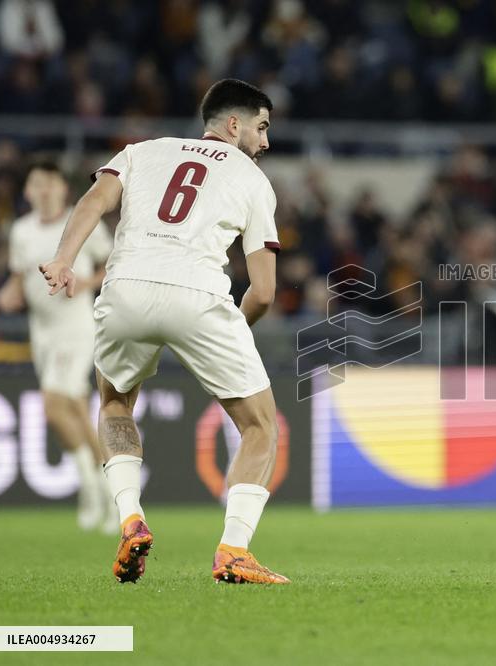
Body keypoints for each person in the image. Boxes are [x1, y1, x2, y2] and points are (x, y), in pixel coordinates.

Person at [39, 79, 289, 585]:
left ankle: (130, 517)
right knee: (261, 426)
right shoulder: (253, 179)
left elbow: (94, 200)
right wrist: (228, 334)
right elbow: (262, 291)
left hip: (125, 285)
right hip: (199, 294)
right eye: (261, 128)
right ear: (234, 125)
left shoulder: (142, 151)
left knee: (113, 403)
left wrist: (64, 259)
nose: (265, 141)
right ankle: (234, 551)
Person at [0, 160, 116, 533]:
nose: (44, 190)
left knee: (52, 404)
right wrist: (10, 292)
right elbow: (19, 276)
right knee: (76, 412)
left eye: (50, 183)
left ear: (63, 189)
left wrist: (87, 282)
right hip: (42, 331)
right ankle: (112, 494)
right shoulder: (21, 231)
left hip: (75, 325)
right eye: (37, 184)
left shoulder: (79, 222)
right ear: (28, 191)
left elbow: (111, 263)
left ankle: (91, 492)